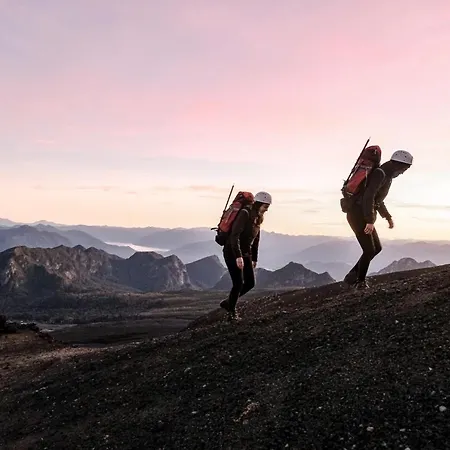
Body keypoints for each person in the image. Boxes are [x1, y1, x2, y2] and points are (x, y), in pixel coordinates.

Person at [344, 150, 413, 289]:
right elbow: (368, 197)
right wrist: (369, 221)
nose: (403, 172)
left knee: (377, 248)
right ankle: (360, 282)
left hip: (362, 214)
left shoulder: (386, 175)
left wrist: (388, 217)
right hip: (358, 215)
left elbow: (377, 200)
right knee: (369, 250)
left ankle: (352, 276)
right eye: (404, 168)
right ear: (399, 164)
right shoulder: (380, 174)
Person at [219, 191, 272, 320]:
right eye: (265, 206)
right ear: (259, 203)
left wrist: (254, 258)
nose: (266, 210)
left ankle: (228, 302)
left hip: (246, 252)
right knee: (238, 283)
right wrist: (238, 256)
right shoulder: (245, 213)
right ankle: (231, 313)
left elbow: (256, 239)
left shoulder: (258, 217)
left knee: (250, 283)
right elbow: (234, 236)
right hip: (232, 251)